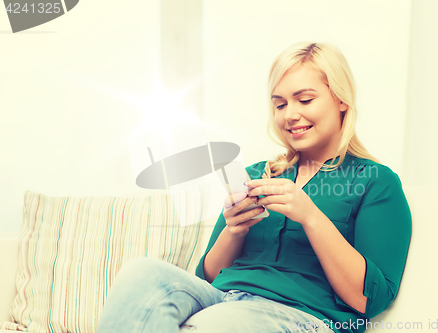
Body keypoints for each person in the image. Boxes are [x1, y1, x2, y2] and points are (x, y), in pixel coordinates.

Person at [96, 42, 412, 333]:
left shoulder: (374, 181)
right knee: (141, 274)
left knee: (211, 324)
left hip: (301, 315)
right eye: (279, 104)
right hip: (222, 297)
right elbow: (207, 277)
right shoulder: (257, 174)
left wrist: (311, 217)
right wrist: (234, 230)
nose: (290, 114)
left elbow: (369, 300)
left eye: (304, 99)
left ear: (341, 100)